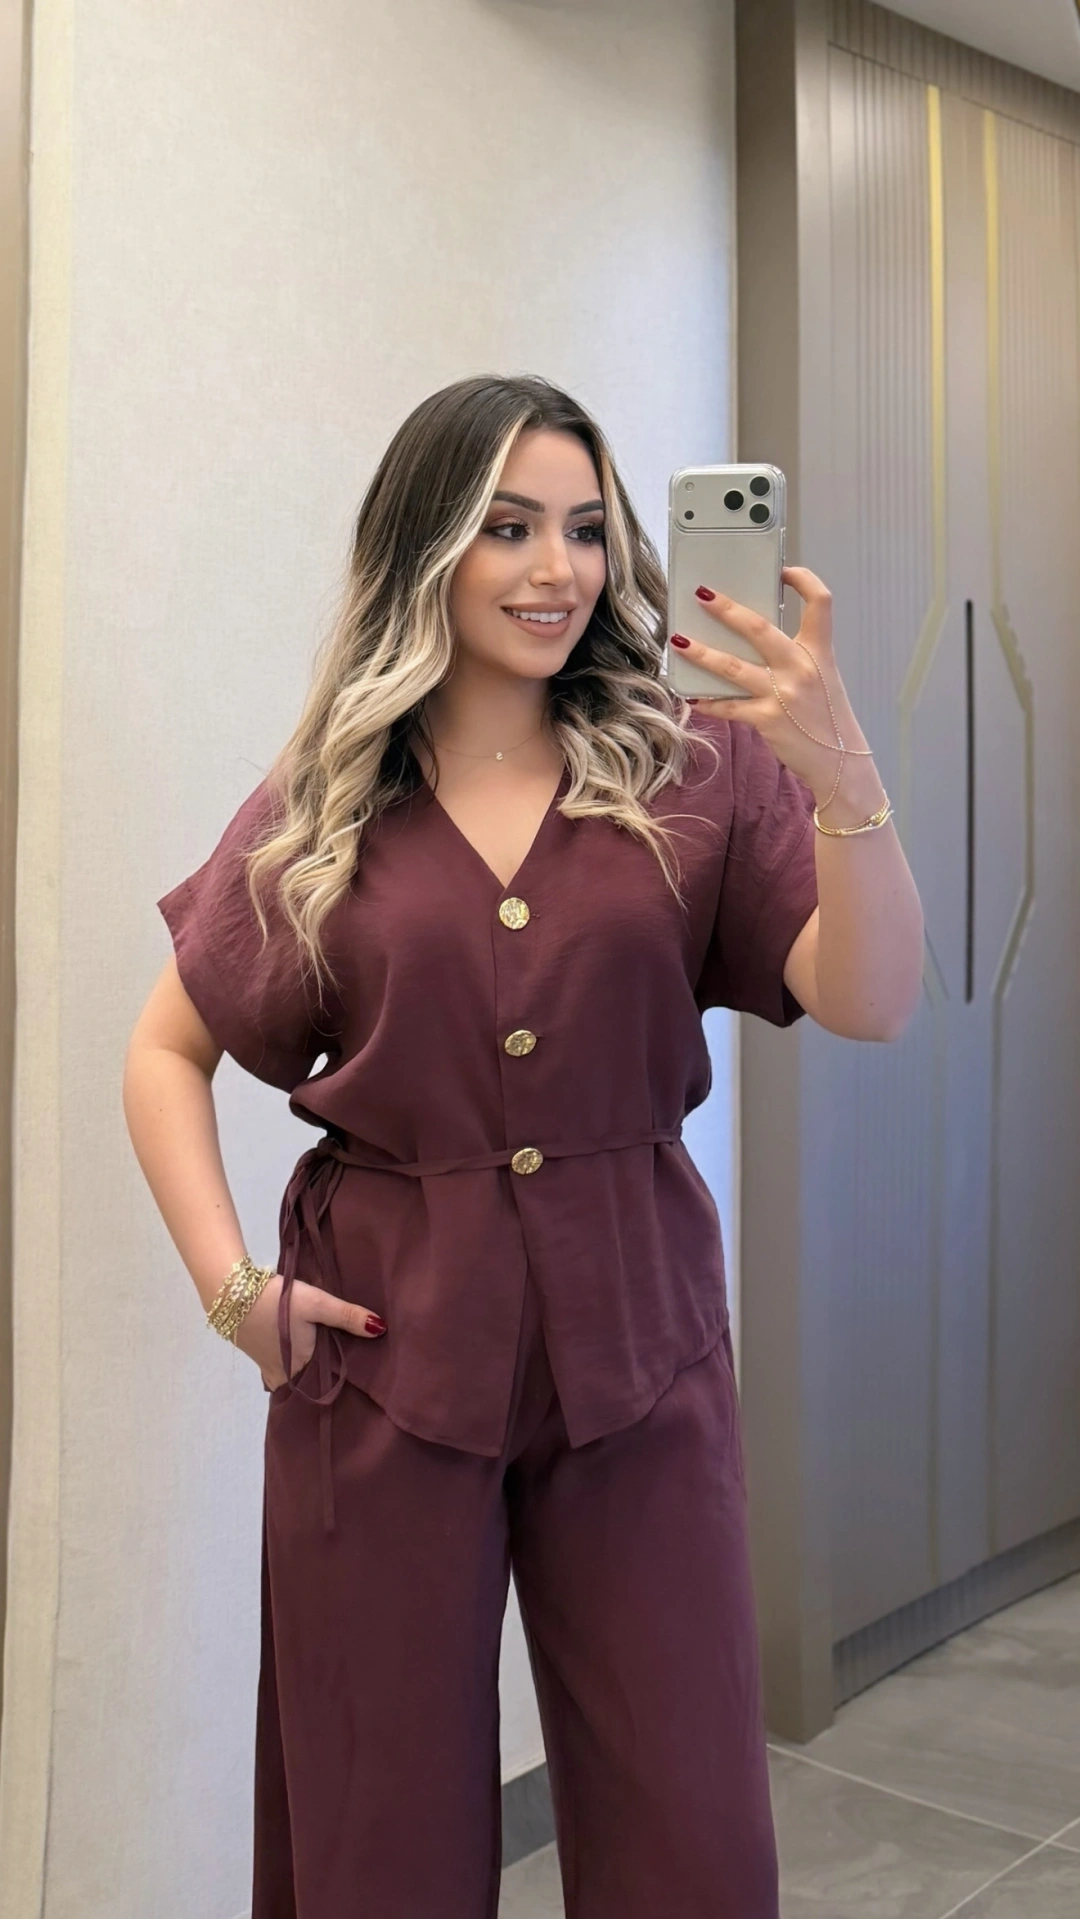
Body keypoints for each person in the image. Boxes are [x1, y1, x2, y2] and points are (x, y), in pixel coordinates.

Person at [123, 373, 924, 1919]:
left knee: (691, 1831)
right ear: (425, 545)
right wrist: (235, 1295)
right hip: (381, 1356)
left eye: (583, 527)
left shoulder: (697, 768)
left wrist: (841, 774)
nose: (557, 567)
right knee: (377, 1832)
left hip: (643, 1344)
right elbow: (165, 1048)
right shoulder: (330, 797)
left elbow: (872, 998)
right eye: (506, 527)